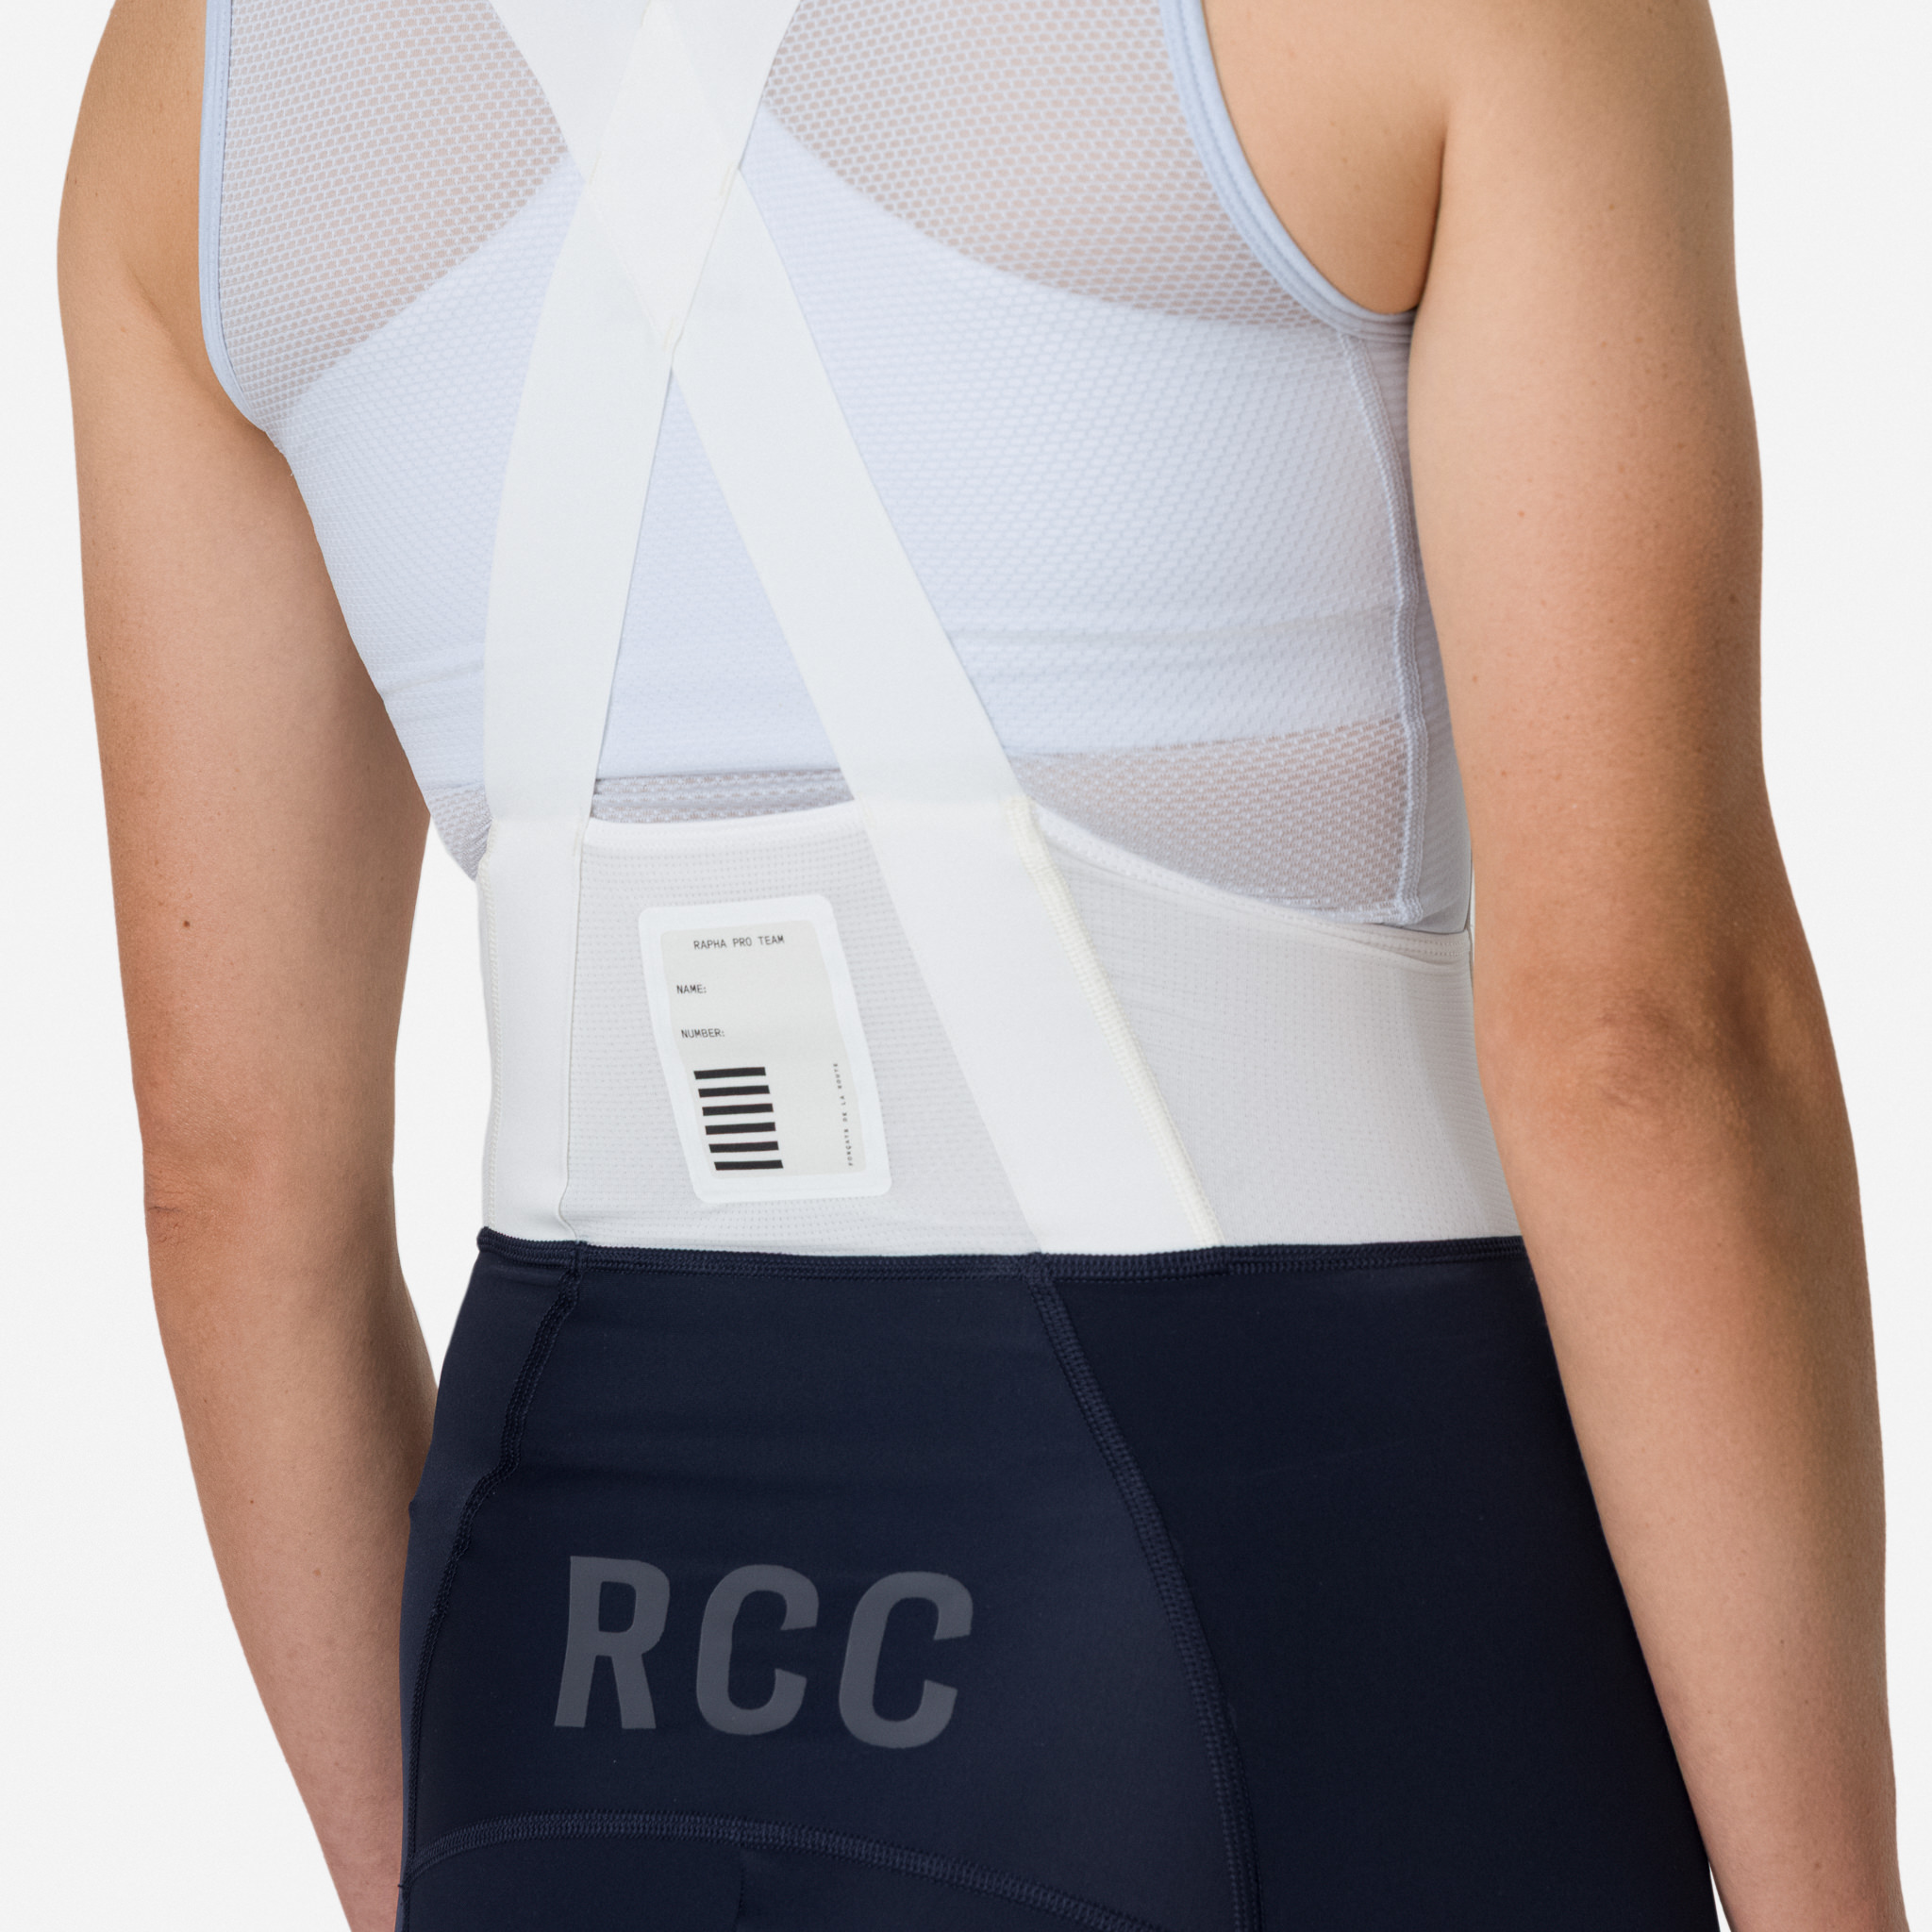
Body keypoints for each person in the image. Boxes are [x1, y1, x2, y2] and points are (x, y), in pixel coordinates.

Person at [60, 0, 1908, 1926]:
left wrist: (454, 1866)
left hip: (553, 1647)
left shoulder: (190, 81)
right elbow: (1642, 1047)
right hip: (1288, 1584)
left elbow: (233, 1185)